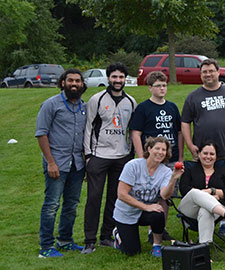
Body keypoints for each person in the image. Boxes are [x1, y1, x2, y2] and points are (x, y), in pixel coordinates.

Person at [180, 58, 225, 234]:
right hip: (202, 152)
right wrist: (189, 143)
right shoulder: (193, 97)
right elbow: (185, 122)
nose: (208, 74)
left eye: (211, 71)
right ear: (201, 75)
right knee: (201, 184)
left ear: (218, 72)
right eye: (204, 72)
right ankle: (201, 216)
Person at [82, 62, 137, 254]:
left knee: (115, 198)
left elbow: (132, 131)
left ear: (125, 79)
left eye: (121, 77)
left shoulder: (131, 101)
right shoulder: (96, 99)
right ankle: (89, 240)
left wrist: (131, 155)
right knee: (94, 198)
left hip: (121, 157)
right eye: (114, 77)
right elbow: (88, 128)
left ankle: (106, 236)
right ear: (108, 78)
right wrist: (88, 155)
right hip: (99, 155)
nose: (118, 80)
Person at [36, 68, 88, 258]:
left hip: (77, 164)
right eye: (70, 81)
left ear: (82, 84)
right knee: (51, 204)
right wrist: (50, 162)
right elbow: (41, 133)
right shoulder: (51, 104)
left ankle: (65, 241)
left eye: (77, 81)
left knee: (72, 204)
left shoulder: (85, 106)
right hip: (57, 162)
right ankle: (46, 246)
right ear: (63, 83)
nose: (74, 84)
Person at [112, 136, 183, 257]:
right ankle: (118, 234)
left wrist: (173, 179)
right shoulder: (133, 166)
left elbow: (164, 195)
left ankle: (157, 246)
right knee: (132, 252)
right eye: (157, 148)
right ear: (149, 149)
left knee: (158, 213)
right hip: (126, 213)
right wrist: (146, 207)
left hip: (145, 212)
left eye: (163, 150)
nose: (160, 152)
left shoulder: (166, 171)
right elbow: (121, 194)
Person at [177, 141, 225, 245]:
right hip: (190, 208)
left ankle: (204, 248)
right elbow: (184, 189)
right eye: (205, 153)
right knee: (194, 193)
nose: (208, 156)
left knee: (205, 210)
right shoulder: (190, 170)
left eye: (212, 154)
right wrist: (210, 196)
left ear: (216, 156)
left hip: (213, 211)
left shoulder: (223, 172)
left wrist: (211, 191)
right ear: (199, 154)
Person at [130, 71, 182, 164]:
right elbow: (135, 134)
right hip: (151, 158)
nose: (162, 88)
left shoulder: (172, 107)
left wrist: (180, 157)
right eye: (158, 86)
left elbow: (179, 133)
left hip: (171, 158)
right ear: (150, 87)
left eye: (164, 85)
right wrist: (142, 158)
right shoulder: (143, 108)